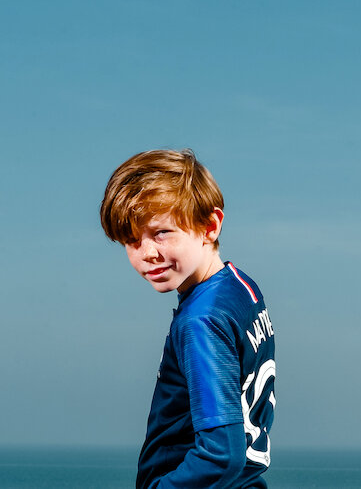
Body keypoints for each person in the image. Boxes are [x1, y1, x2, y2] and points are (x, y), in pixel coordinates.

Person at [100, 149, 275, 489]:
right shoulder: (241, 288)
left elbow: (220, 455)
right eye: (132, 240)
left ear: (210, 226)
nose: (147, 253)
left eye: (161, 233)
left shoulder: (200, 321)